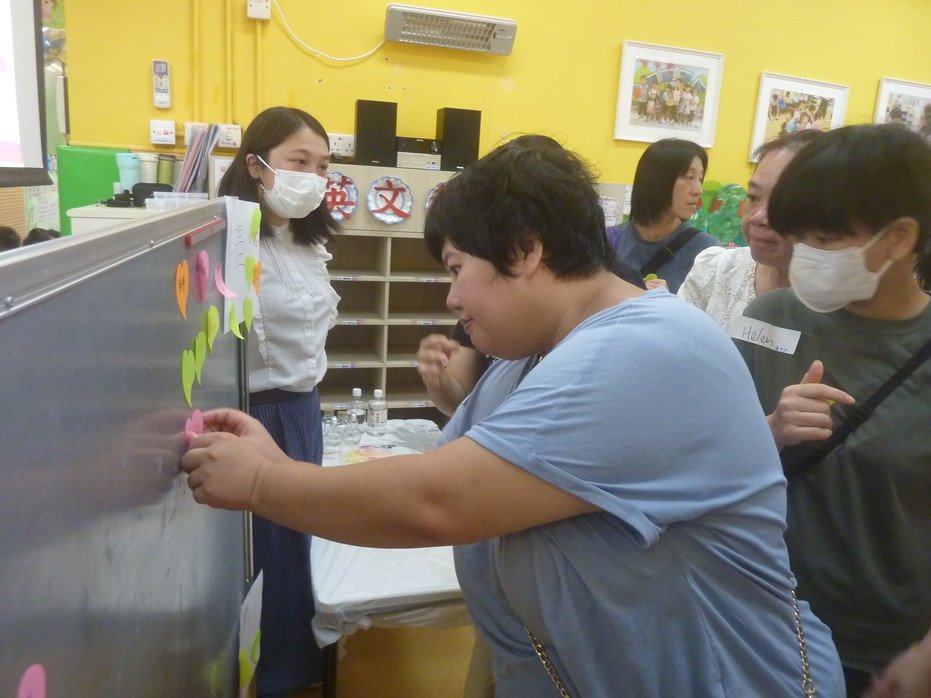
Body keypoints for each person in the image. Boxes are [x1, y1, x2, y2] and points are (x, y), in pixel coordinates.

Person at [183, 134, 844, 695]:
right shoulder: (528, 357)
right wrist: (272, 459)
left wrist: (264, 481)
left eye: (456, 268)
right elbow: (454, 466)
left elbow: (435, 501)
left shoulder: (650, 347)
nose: (451, 297)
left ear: (525, 251)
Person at [736, 124, 931, 696]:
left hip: (884, 650)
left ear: (899, 238)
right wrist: (770, 431)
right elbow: (703, 461)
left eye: (826, 238)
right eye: (799, 237)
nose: (806, 256)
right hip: (759, 621)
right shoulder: (766, 317)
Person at [217, 105, 340, 697]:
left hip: (303, 409)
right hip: (257, 412)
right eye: (299, 161)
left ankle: (302, 669)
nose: (313, 177)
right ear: (256, 166)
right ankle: (266, 677)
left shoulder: (306, 238)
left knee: (302, 544)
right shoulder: (230, 239)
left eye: (323, 165)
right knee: (266, 554)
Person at [678, 129, 823, 331]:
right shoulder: (715, 271)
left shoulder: (846, 301)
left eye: (783, 202)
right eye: (753, 197)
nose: (758, 217)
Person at [606, 138, 718, 292]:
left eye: (700, 178)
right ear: (657, 180)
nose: (698, 190)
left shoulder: (707, 251)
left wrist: (670, 300)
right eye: (689, 177)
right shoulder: (608, 240)